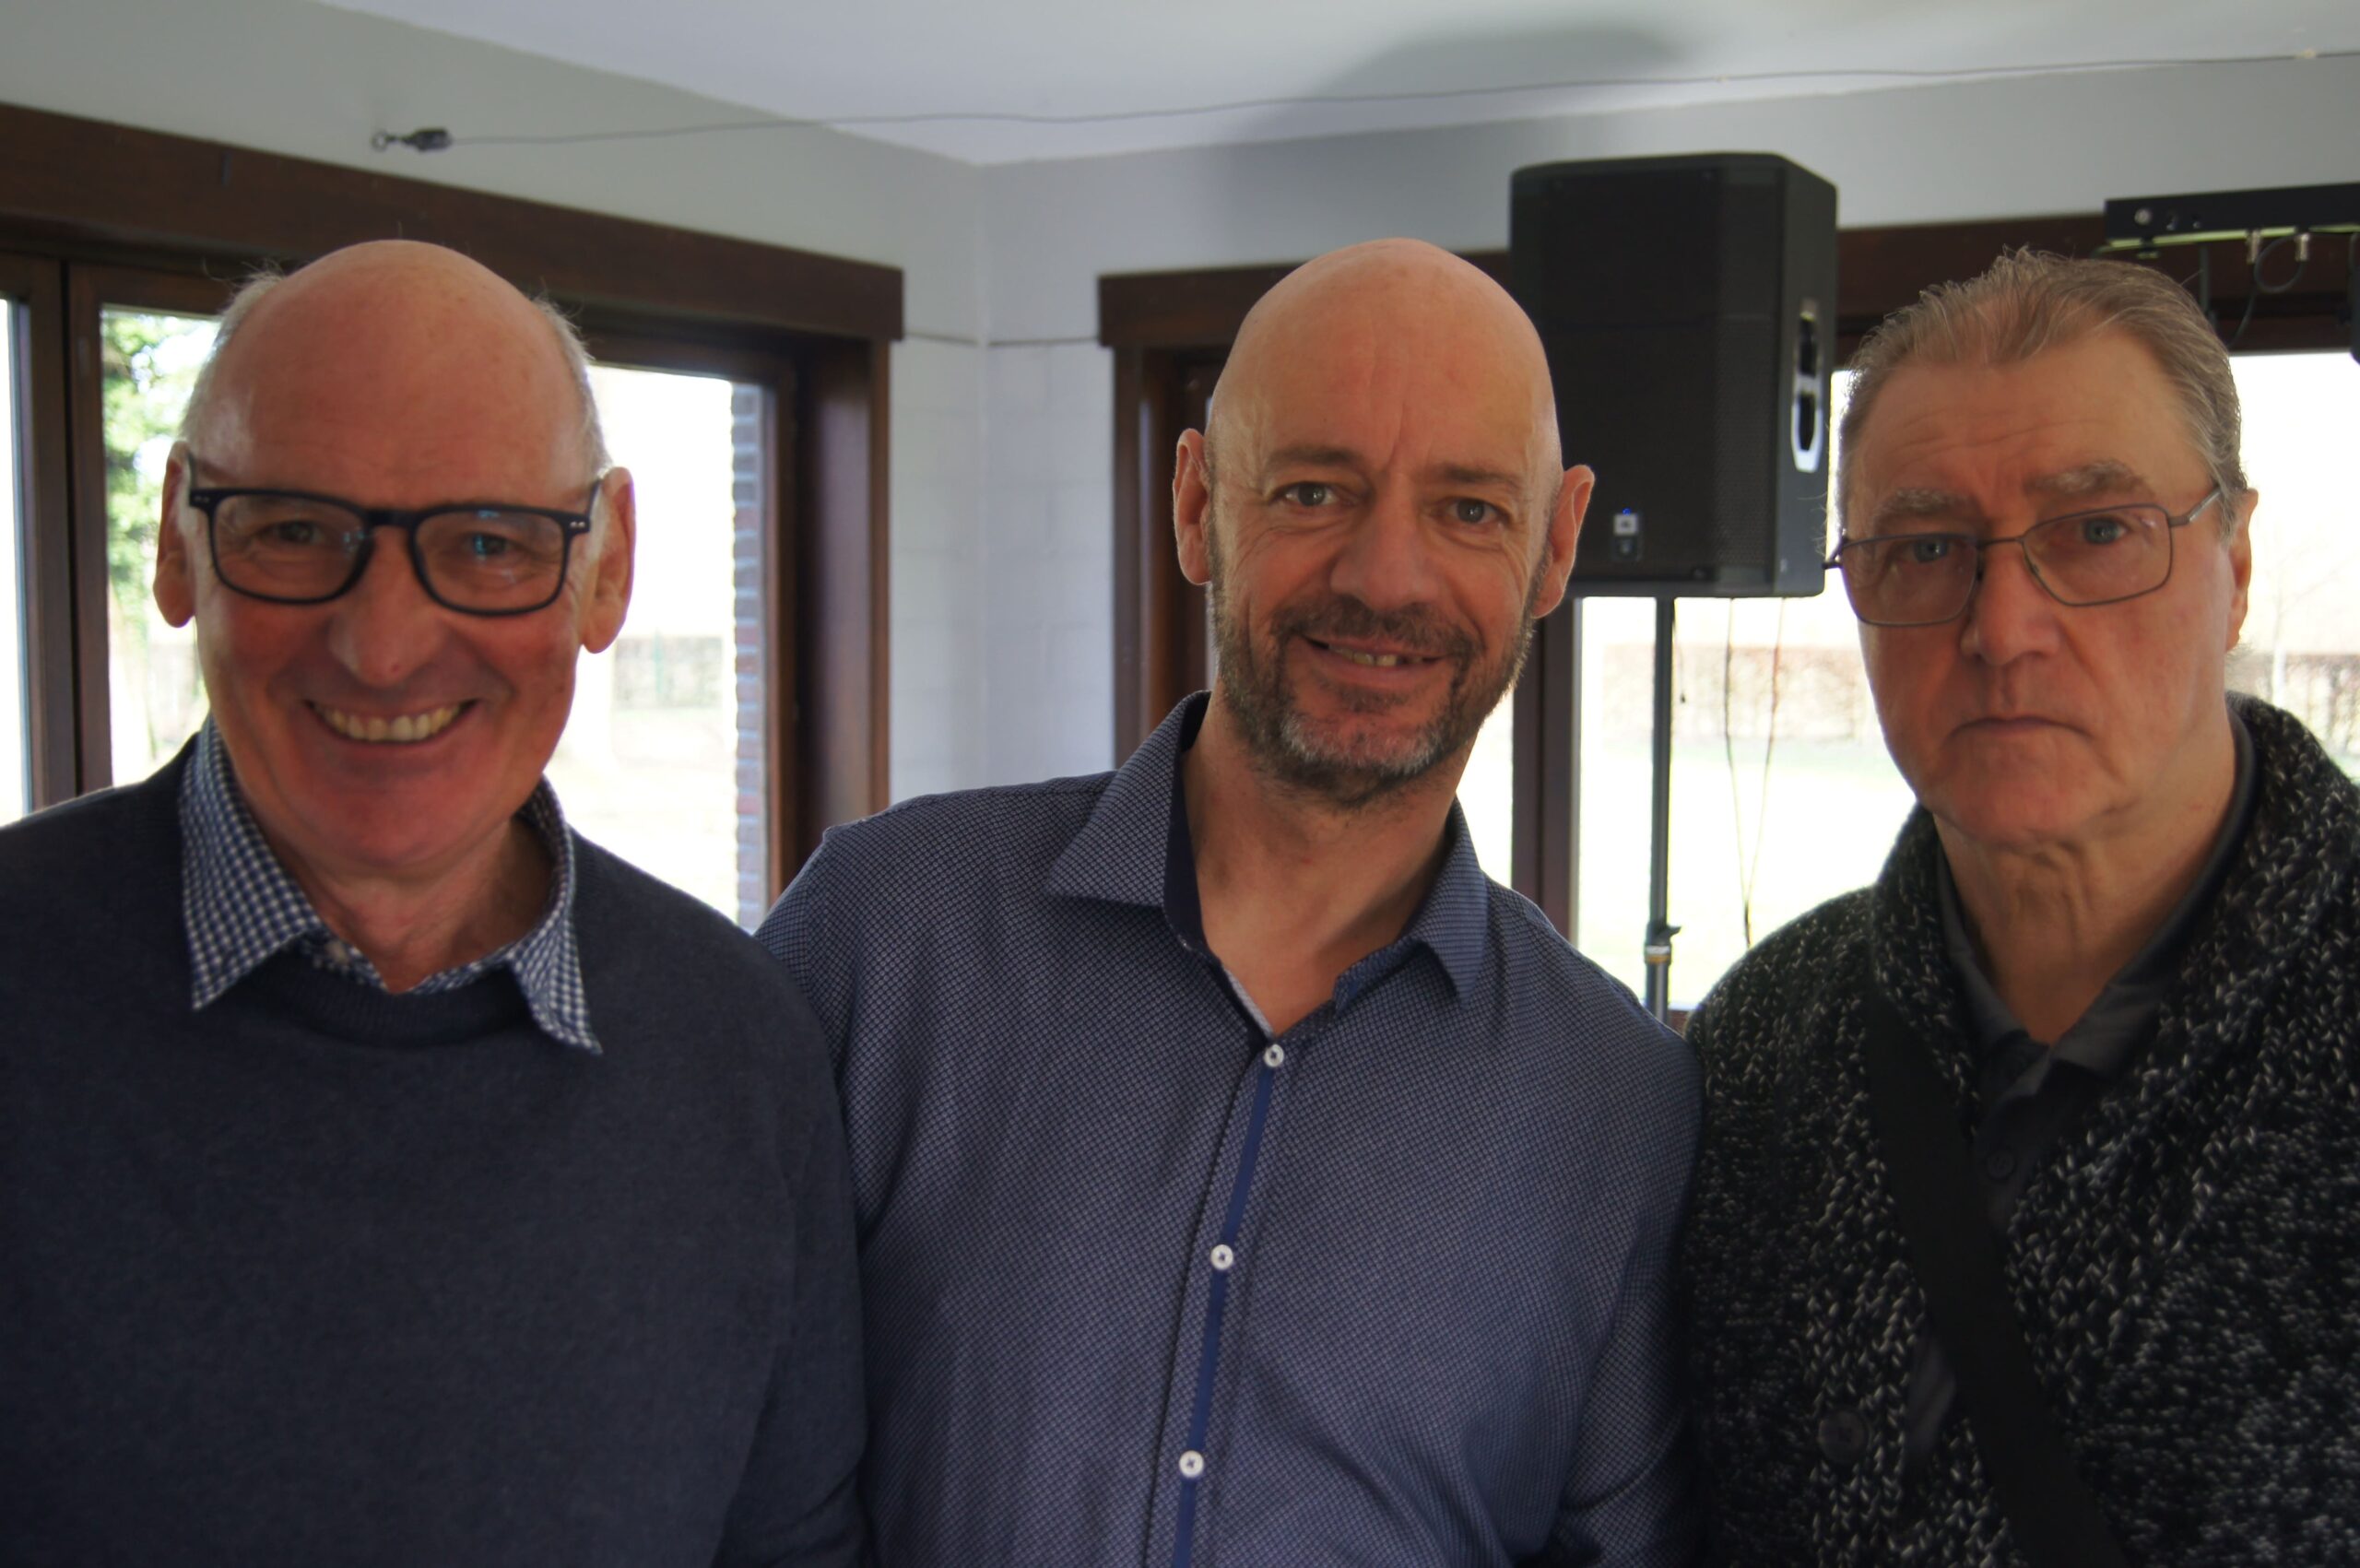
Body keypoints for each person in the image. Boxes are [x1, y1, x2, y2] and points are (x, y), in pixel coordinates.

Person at [761, 238, 1702, 1566]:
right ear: (1198, 504)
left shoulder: (1621, 1107)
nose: (1386, 578)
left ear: (1556, 547)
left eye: (1469, 510)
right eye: (1315, 491)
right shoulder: (886, 936)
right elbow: (722, 1459)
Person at [0, 241, 864, 1566]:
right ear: (178, 539)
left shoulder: (741, 1047)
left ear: (606, 568)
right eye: (296, 530)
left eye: (487, 543)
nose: (385, 644)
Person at [1682, 252, 2360, 1562]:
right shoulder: (1760, 1050)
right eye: (1927, 549)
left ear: (2235, 564)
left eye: (2097, 531)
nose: (2003, 628)